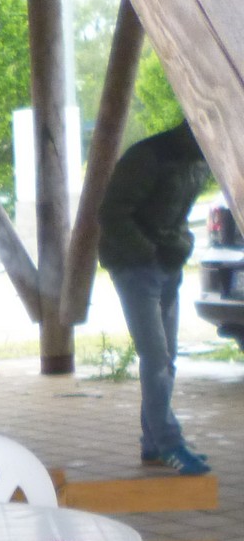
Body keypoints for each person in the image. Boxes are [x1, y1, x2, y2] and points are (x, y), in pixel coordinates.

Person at [97, 120, 211, 475]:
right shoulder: (148, 156)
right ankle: (169, 443)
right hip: (134, 267)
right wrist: (148, 253)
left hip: (166, 264)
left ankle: (153, 445)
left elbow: (177, 215)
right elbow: (111, 214)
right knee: (156, 356)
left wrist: (180, 245)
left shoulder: (199, 160)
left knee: (167, 356)